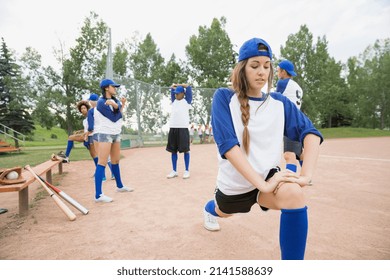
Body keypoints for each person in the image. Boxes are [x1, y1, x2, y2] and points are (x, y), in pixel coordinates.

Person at [202, 37, 323, 260]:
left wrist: (306, 176)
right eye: (255, 65)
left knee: (294, 194)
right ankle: (207, 210)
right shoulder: (224, 98)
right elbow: (229, 146)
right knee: (222, 212)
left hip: (267, 179)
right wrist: (263, 185)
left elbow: (311, 133)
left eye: (267, 66)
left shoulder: (279, 103)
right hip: (235, 185)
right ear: (242, 69)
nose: (262, 72)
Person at [93, 79, 133, 203]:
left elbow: (119, 113)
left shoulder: (114, 100)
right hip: (105, 134)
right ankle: (98, 195)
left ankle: (120, 186)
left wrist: (117, 105)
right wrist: (118, 107)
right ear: (106, 88)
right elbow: (114, 117)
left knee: (115, 161)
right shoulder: (100, 102)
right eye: (113, 87)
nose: (115, 88)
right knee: (102, 162)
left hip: (116, 133)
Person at [276, 59, 304, 172]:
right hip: (299, 120)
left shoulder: (282, 83)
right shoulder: (297, 86)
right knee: (299, 152)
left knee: (289, 155)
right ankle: (308, 175)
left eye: (278, 71)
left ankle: (290, 180)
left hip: (290, 122)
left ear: (283, 71)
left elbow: (274, 100)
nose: (277, 73)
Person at [166, 83, 192, 179]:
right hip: (173, 127)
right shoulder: (174, 101)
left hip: (183, 128)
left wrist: (179, 84)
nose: (176, 95)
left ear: (183, 93)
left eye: (178, 93)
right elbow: (171, 88)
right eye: (175, 93)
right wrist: (174, 87)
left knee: (186, 150)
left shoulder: (187, 101)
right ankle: (174, 170)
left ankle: (186, 170)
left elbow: (188, 87)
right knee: (173, 151)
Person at [87, 93, 115, 181]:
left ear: (91, 102)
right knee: (107, 156)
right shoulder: (103, 109)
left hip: (97, 134)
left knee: (100, 156)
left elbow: (91, 127)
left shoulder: (91, 111)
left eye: (90, 101)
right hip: (106, 133)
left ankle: (102, 176)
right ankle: (114, 174)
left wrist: (88, 131)